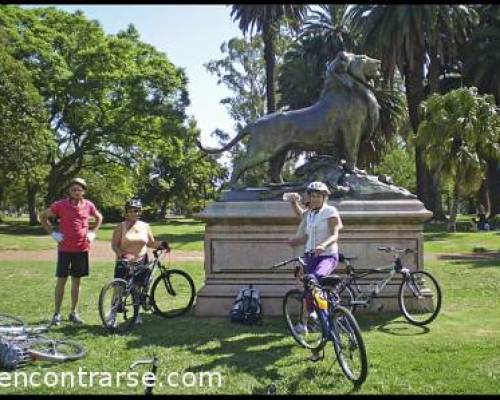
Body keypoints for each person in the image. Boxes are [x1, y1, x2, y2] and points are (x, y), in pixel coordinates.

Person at [285, 181, 343, 361]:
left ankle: (314, 312)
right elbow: (304, 224)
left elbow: (335, 234)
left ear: (324, 197)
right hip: (311, 256)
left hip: (327, 256)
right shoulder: (310, 214)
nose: (315, 198)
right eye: (313, 195)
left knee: (314, 279)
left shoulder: (330, 211)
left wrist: (323, 245)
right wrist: (296, 241)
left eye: (319, 196)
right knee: (310, 287)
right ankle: (324, 324)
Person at [40, 178, 103, 325]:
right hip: (65, 250)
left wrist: (93, 232)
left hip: (81, 249)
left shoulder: (88, 205)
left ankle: (74, 313)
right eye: (73, 189)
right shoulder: (60, 205)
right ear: (69, 190)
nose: (76, 192)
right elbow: (43, 217)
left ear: (83, 191)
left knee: (77, 282)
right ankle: (57, 313)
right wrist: (52, 233)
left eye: (79, 189)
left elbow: (99, 218)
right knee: (61, 281)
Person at [109, 198, 169, 326]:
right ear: (126, 212)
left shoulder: (145, 226)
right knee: (118, 289)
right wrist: (122, 255)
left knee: (137, 289)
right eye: (131, 211)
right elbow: (114, 245)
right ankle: (112, 317)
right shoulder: (121, 227)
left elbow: (151, 243)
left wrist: (162, 244)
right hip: (124, 261)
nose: (134, 213)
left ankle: (137, 316)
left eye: (137, 211)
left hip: (141, 261)